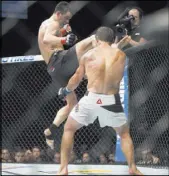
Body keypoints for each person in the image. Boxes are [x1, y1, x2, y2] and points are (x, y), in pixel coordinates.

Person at [57, 26, 143, 175]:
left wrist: (66, 90)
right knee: (123, 134)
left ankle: (63, 169)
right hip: (111, 100)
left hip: (92, 99)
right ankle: (132, 168)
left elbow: (76, 78)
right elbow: (112, 52)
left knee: (69, 128)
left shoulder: (88, 55)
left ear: (97, 40)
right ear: (111, 40)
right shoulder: (121, 55)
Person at [38, 1, 95, 149]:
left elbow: (49, 40)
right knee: (92, 40)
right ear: (58, 14)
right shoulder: (52, 23)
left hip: (53, 69)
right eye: (66, 18)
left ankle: (50, 130)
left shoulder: (48, 25)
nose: (67, 21)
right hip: (59, 60)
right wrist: (64, 39)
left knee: (72, 104)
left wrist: (63, 33)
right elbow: (47, 39)